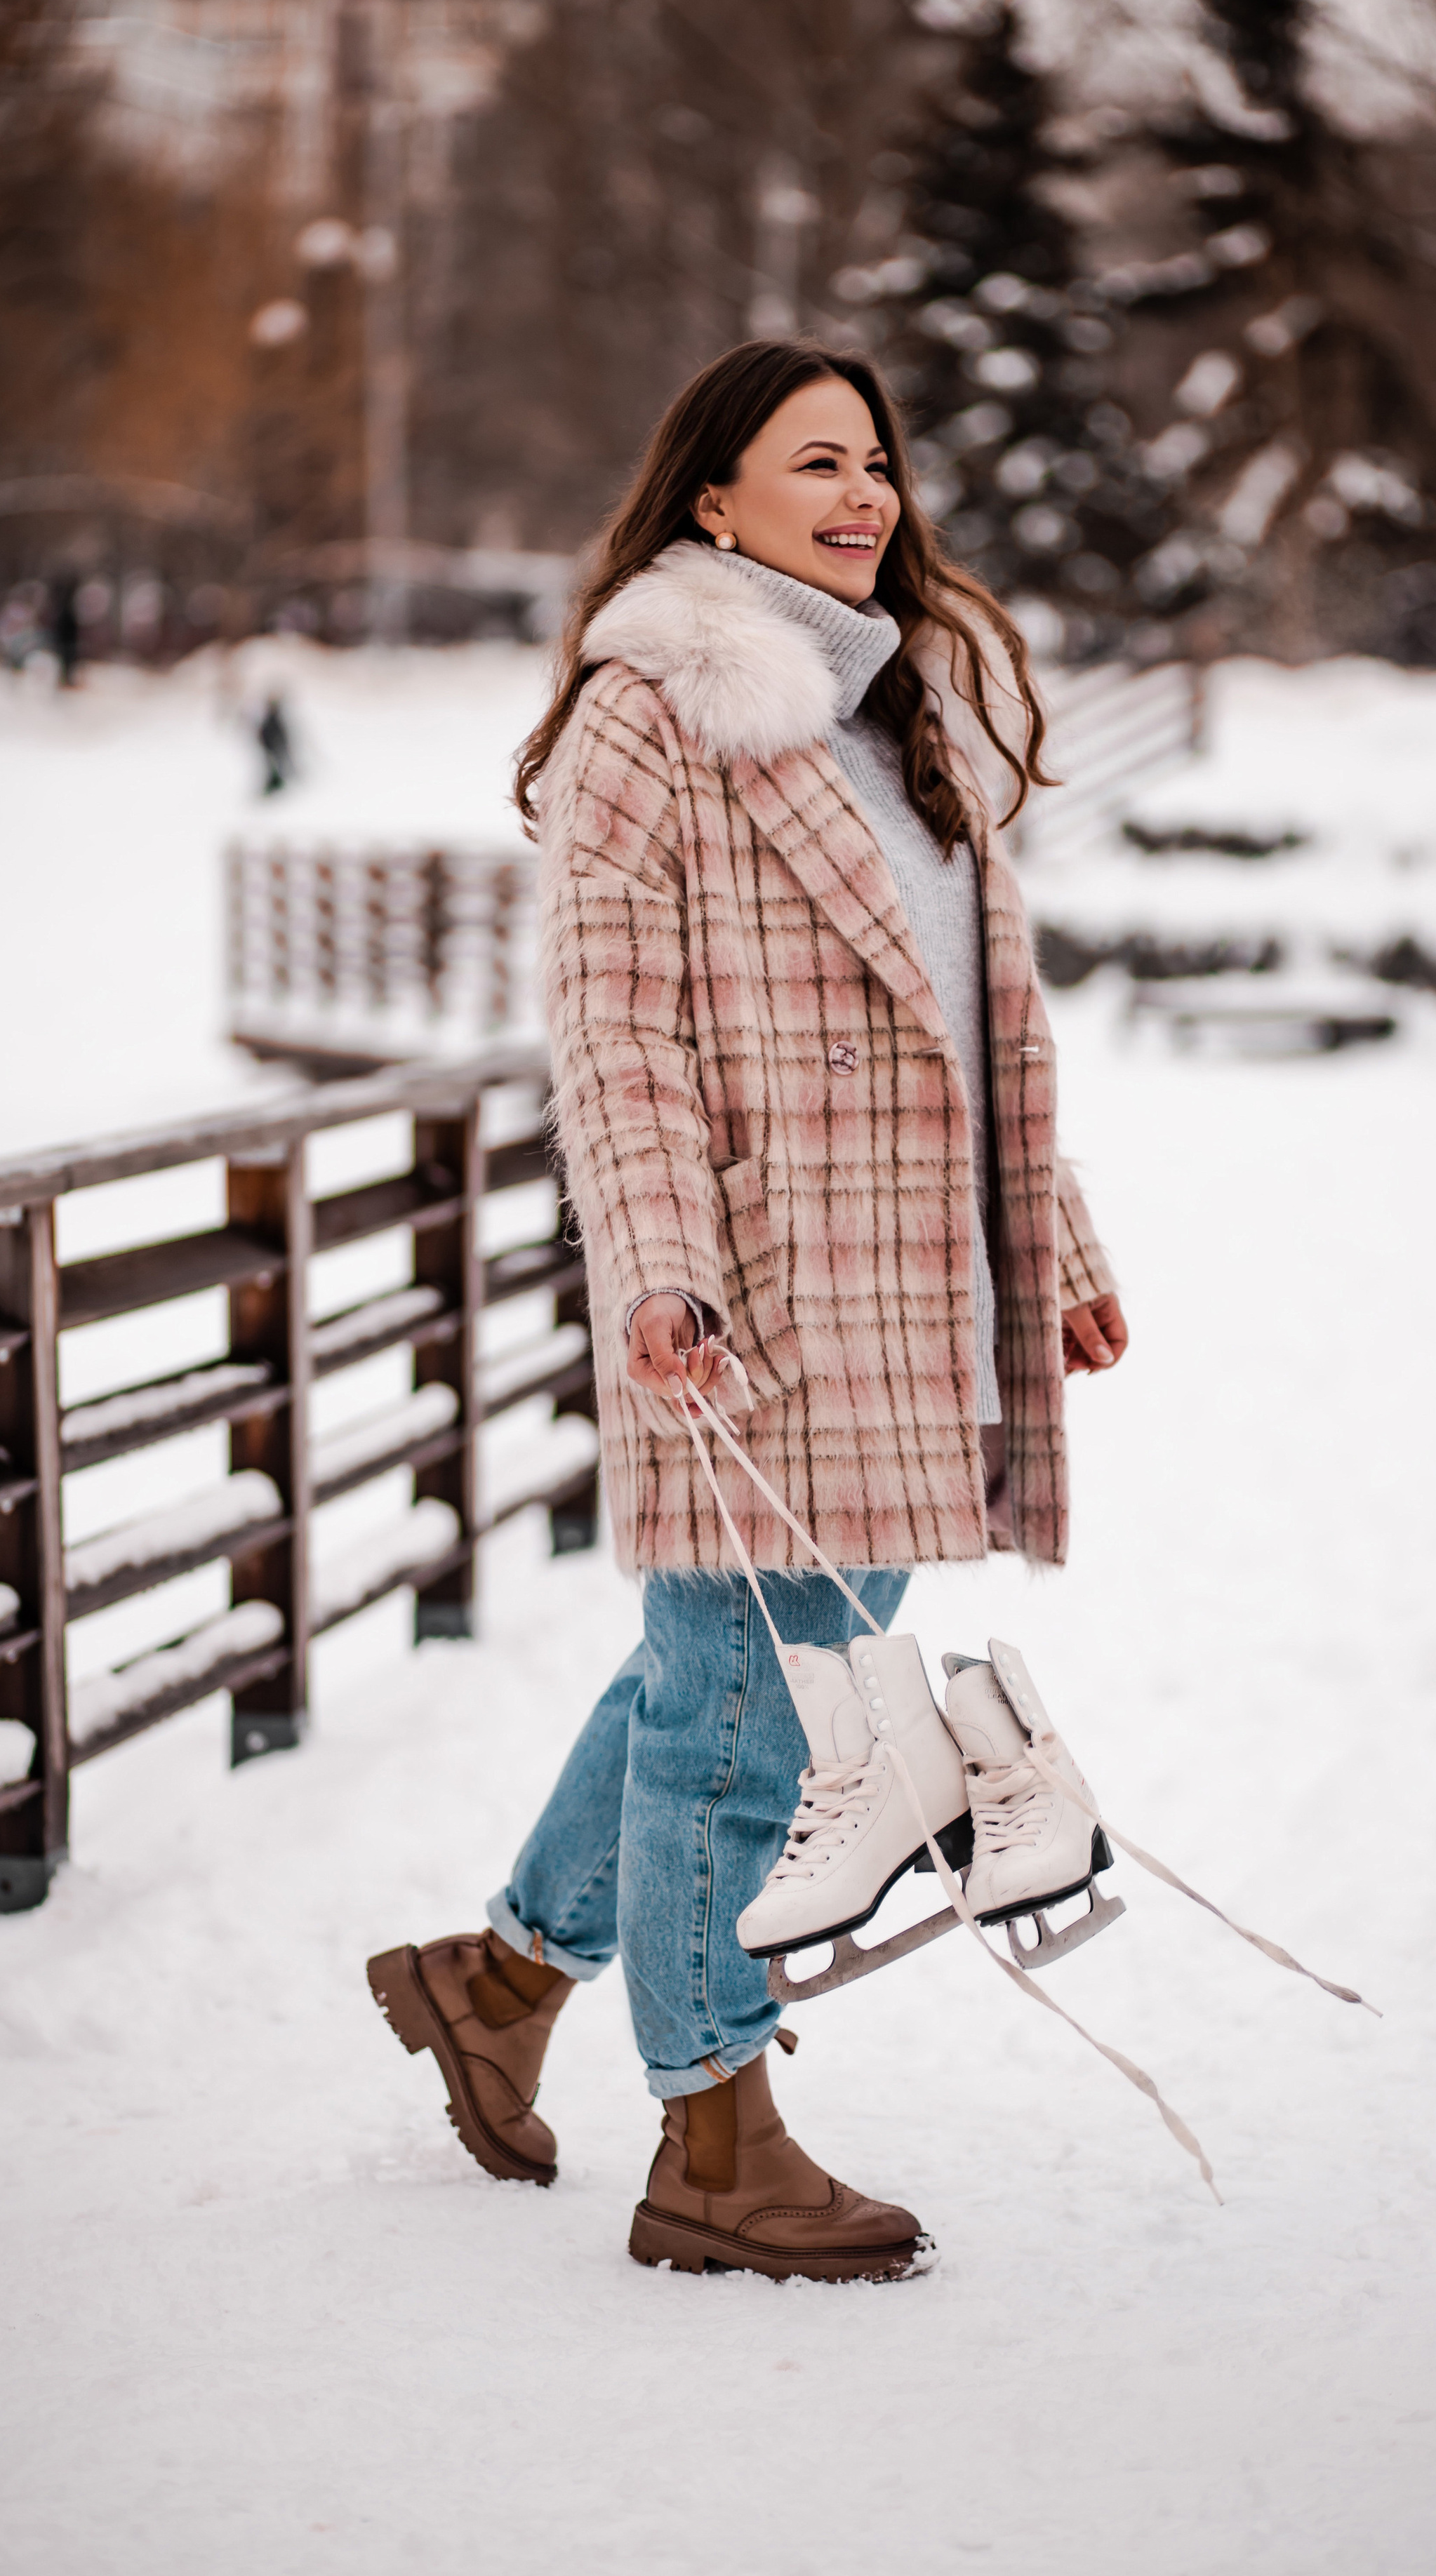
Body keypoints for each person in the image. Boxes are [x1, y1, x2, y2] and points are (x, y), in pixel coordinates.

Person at [366, 340, 1128, 2283]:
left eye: (877, 461)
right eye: (817, 464)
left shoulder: (902, 715)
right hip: (756, 1298)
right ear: (717, 500)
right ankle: (714, 2133)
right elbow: (613, 1030)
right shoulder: (658, 709)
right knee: (756, 1721)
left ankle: (500, 1983)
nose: (866, 494)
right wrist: (662, 1269)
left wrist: (1057, 1248)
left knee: (710, 1686)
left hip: (912, 1285)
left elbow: (974, 1029)